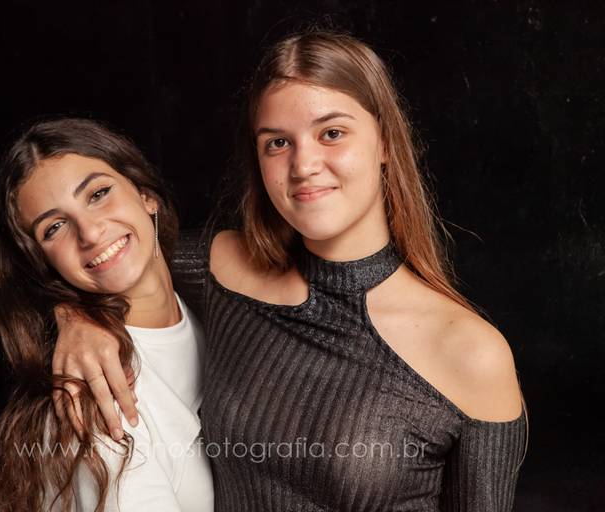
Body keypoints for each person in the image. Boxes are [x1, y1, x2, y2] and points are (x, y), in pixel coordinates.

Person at [53, 30, 528, 511]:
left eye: (332, 133)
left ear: (385, 141)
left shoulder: (471, 352)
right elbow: (105, 259)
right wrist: (74, 318)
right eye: (278, 143)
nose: (304, 165)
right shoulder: (223, 269)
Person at [0, 118, 213, 512]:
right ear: (43, 263)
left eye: (98, 194)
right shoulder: (100, 398)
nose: (89, 233)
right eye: (54, 227)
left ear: (145, 195)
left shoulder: (215, 302)